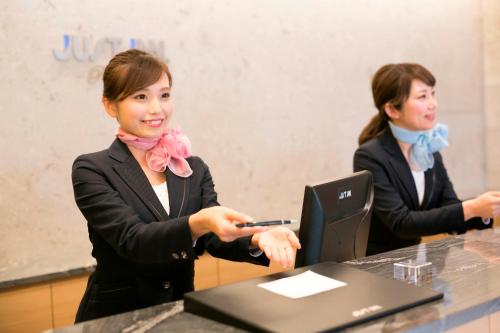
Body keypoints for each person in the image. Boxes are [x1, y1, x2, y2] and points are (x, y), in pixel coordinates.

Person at [72, 49, 301, 322]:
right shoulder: (92, 169)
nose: (157, 108)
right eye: (140, 96)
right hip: (116, 318)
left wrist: (256, 237)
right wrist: (198, 221)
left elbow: (211, 236)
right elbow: (133, 239)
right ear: (110, 105)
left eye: (165, 95)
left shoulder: (191, 167)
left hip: (180, 313)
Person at [353, 63, 500, 255]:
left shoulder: (429, 147)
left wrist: (485, 209)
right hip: (379, 267)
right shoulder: (369, 156)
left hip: (419, 264)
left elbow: (449, 207)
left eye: (433, 94)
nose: (433, 104)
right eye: (423, 96)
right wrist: (471, 208)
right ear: (392, 110)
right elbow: (401, 223)